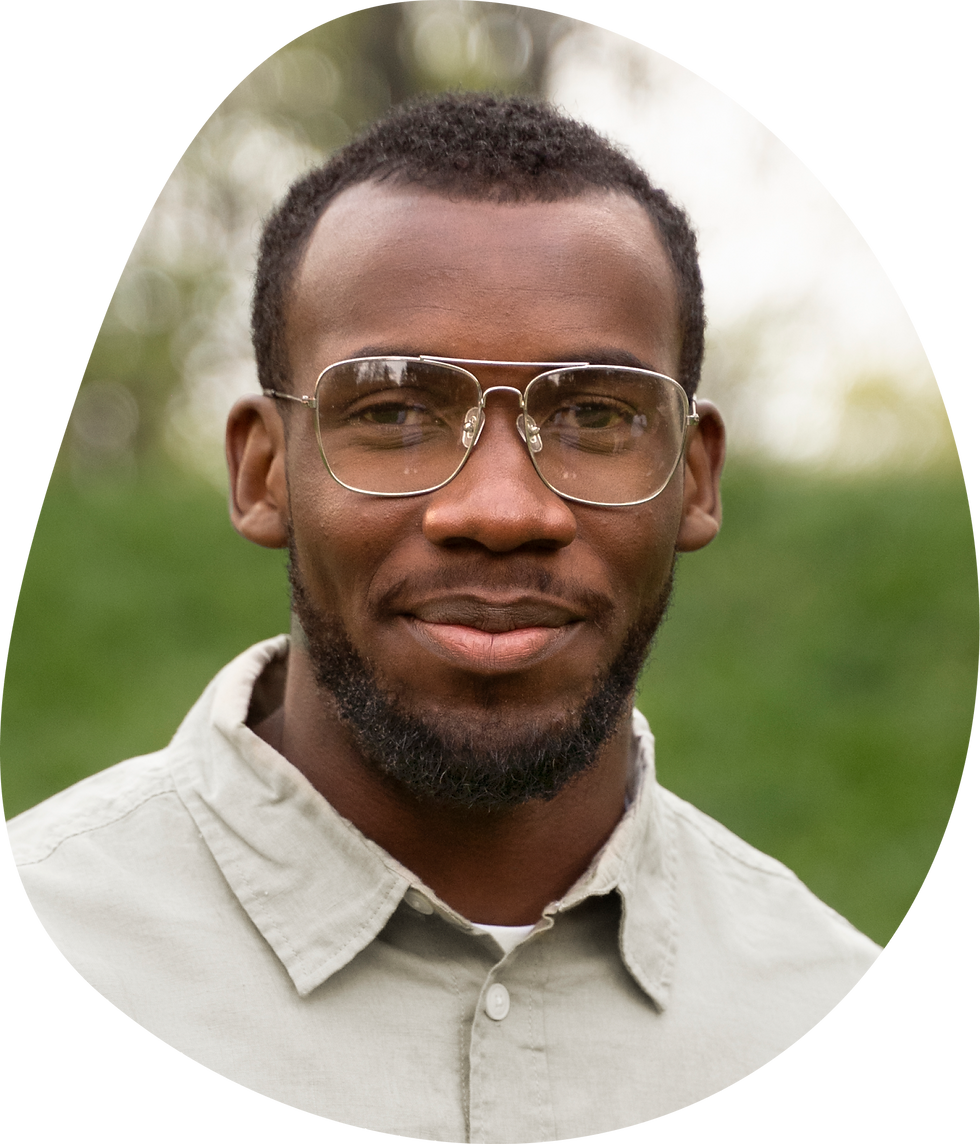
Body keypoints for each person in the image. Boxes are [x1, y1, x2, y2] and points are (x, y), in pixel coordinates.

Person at [7, 93, 882, 1139]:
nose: (502, 510)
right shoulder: (66, 923)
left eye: (594, 414)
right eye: (392, 411)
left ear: (691, 480)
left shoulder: (814, 995)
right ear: (261, 471)